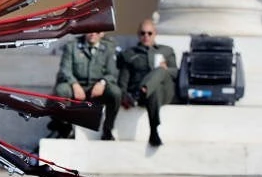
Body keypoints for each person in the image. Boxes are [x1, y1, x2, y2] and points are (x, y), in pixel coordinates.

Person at [118, 19, 178, 147]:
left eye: (149, 33)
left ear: (155, 34)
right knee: (153, 91)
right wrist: (124, 95)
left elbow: (176, 73)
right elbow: (123, 79)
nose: (146, 36)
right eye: (142, 33)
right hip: (147, 96)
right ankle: (154, 131)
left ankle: (144, 89)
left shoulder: (166, 51)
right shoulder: (129, 54)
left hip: (165, 92)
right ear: (138, 35)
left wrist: (165, 69)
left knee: (161, 71)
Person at [51, 31, 121, 140]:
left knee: (115, 92)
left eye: (97, 31)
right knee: (61, 90)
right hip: (77, 86)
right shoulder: (72, 46)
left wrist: (102, 82)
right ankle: (65, 128)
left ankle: (108, 129)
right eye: (89, 30)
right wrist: (74, 84)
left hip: (98, 88)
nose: (93, 33)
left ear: (102, 33)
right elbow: (65, 69)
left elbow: (112, 73)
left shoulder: (108, 48)